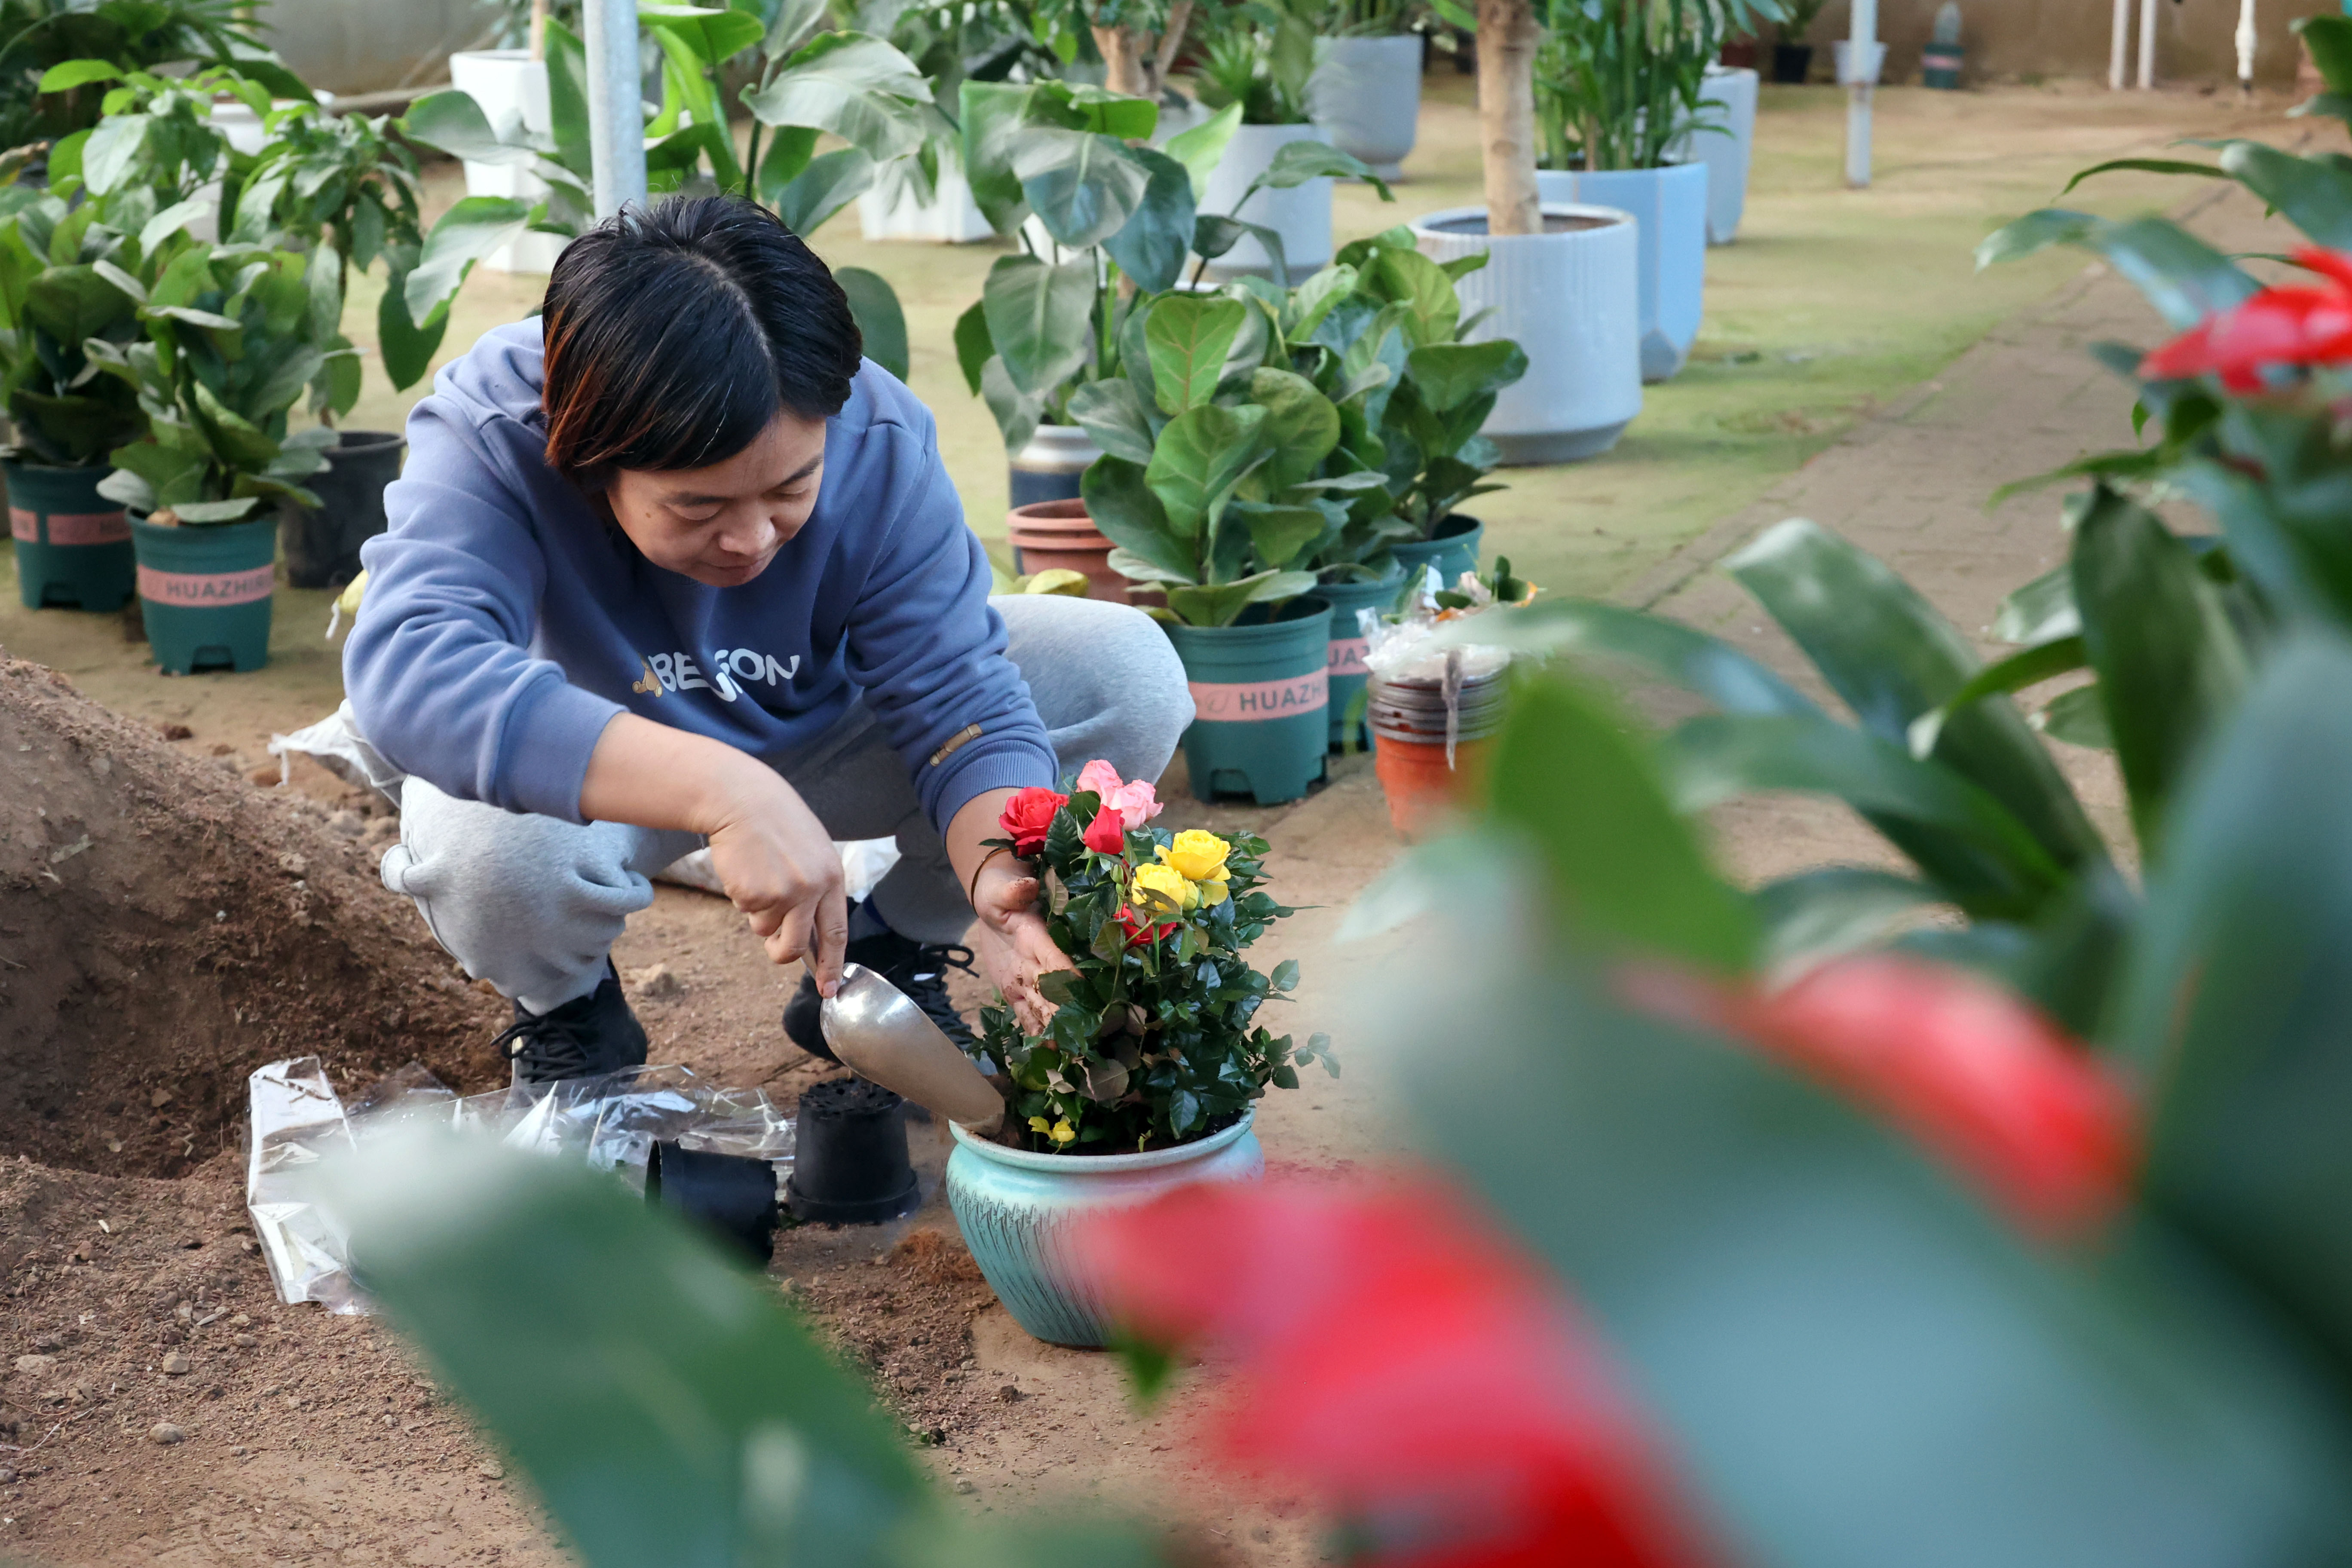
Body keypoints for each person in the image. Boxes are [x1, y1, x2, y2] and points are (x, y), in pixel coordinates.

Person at [342, 194, 1192, 1083]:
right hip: (602, 771)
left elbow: (958, 698)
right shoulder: (500, 431)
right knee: (490, 858)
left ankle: (891, 953)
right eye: (698, 505)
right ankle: (573, 1014)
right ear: (589, 454)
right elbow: (408, 667)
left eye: (791, 489)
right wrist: (724, 792)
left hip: (830, 730)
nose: (751, 539)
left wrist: (1003, 891)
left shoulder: (875, 432)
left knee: (1124, 676)